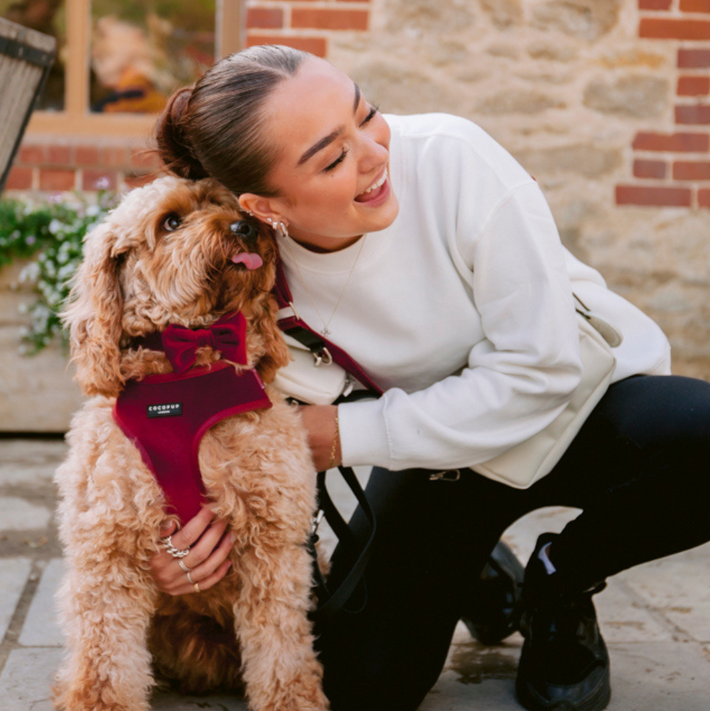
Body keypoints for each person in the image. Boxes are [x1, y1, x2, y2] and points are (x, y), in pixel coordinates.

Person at [147, 45, 710, 711]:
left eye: (367, 114)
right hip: (436, 460)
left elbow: (543, 367)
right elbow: (175, 415)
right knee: (358, 687)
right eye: (332, 158)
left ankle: (560, 581)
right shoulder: (242, 272)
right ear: (265, 205)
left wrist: (344, 432)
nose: (375, 154)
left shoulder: (453, 158)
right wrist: (165, 542)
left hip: (579, 407)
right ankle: (469, 560)